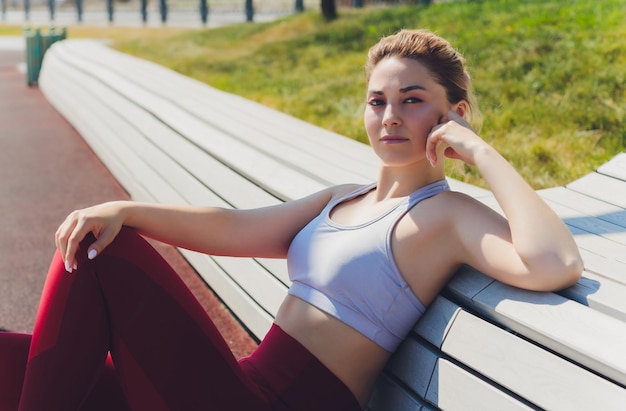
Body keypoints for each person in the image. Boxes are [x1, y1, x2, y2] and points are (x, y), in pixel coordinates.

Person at [0, 29, 583, 411]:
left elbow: (554, 262)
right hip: (237, 388)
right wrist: (123, 208)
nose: (390, 117)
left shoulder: (447, 214)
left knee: (101, 255)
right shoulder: (342, 198)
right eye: (378, 101)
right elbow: (233, 229)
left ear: (453, 114)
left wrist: (481, 153)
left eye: (412, 100)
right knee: (10, 352)